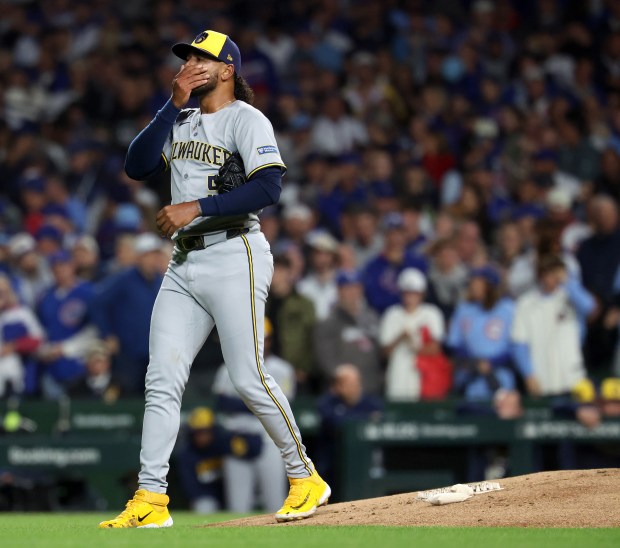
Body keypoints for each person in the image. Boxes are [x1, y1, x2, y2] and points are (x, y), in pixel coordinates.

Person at [99, 30, 330, 529]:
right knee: (161, 379)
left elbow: (268, 186)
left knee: (247, 375)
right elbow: (135, 166)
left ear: (227, 69)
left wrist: (195, 207)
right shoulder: (179, 120)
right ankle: (151, 499)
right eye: (186, 58)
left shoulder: (247, 118)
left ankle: (304, 474)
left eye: (202, 58)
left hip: (234, 252)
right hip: (185, 263)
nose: (191, 64)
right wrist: (169, 104)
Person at [212, 317, 295, 512]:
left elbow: (279, 406)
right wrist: (258, 402)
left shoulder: (282, 369)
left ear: (269, 339)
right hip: (237, 438)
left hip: (270, 440)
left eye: (262, 338)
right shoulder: (228, 368)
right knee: (238, 506)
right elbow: (222, 403)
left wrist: (240, 403)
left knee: (276, 503)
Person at [90, 233, 165, 394]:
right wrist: (107, 334)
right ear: (139, 257)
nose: (152, 260)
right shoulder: (124, 279)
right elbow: (97, 304)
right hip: (127, 353)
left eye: (155, 255)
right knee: (128, 393)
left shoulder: (161, 281)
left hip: (153, 353)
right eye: (148, 255)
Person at [511, 255, 595, 396]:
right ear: (540, 276)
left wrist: (568, 282)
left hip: (572, 378)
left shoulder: (571, 297)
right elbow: (519, 343)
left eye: (556, 272)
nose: (553, 277)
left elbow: (590, 307)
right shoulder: (526, 303)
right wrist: (528, 375)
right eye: (548, 273)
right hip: (542, 377)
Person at [176, 407, 262, 514]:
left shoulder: (222, 442)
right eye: (198, 433)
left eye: (205, 431)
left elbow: (252, 448)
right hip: (208, 497)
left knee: (235, 461)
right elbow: (191, 487)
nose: (202, 436)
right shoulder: (188, 454)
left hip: (230, 494)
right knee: (204, 506)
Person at [379, 268, 445, 402]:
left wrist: (414, 345)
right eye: (407, 293)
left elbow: (436, 348)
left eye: (415, 293)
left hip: (425, 374)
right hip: (398, 373)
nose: (410, 297)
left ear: (422, 294)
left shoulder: (431, 313)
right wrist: (400, 337)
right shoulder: (392, 314)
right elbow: (384, 352)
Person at [315, 364, 383, 494]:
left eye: (357, 382)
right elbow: (334, 422)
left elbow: (380, 417)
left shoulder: (371, 402)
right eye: (350, 383)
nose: (355, 387)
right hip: (333, 463)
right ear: (337, 386)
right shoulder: (326, 403)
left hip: (366, 462)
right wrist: (365, 418)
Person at [314, 269, 382, 395]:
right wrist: (345, 381)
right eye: (347, 288)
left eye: (356, 287)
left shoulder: (372, 318)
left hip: (372, 389)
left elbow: (380, 354)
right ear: (339, 291)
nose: (352, 293)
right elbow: (326, 361)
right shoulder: (329, 323)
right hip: (342, 393)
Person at [0, 273, 44, 397]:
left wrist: (14, 346)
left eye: (3, 292)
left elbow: (38, 340)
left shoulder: (21, 313)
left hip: (17, 373)